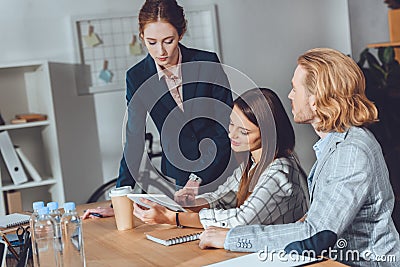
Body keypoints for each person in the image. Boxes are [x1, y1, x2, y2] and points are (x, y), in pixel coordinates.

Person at [198, 48, 400, 266]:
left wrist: (231, 238)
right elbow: (315, 223)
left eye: (295, 89)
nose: (290, 95)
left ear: (316, 100)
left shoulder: (351, 152)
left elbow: (315, 234)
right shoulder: (336, 145)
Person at [82, 0, 235, 219]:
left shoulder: (206, 62)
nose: (160, 51)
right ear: (142, 36)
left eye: (168, 41)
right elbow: (134, 139)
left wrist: (198, 177)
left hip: (222, 169)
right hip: (179, 177)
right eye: (151, 42)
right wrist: (119, 202)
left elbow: (226, 124)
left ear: (181, 33)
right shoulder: (137, 77)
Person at [133, 88, 309, 229]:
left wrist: (175, 218)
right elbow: (220, 199)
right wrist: (183, 204)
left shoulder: (279, 171)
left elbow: (241, 220)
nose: (231, 134)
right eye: (231, 124)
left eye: (244, 132)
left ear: (269, 134)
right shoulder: (250, 163)